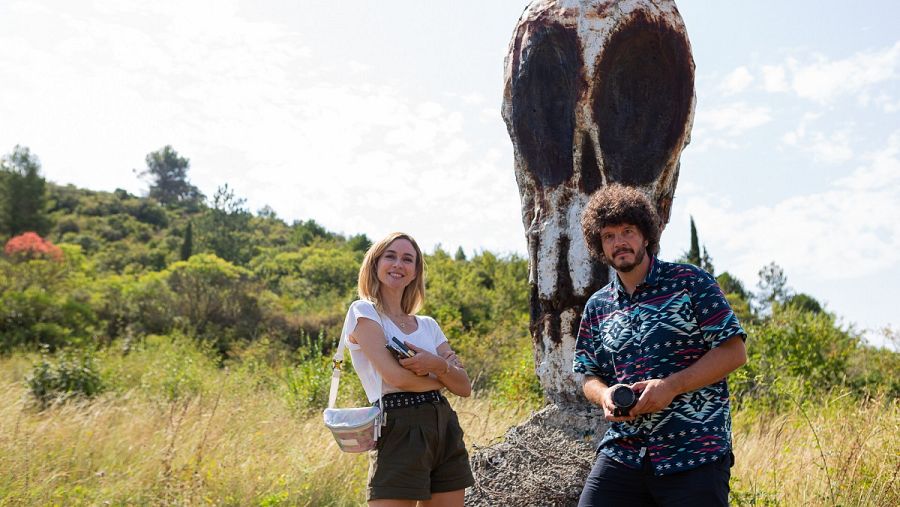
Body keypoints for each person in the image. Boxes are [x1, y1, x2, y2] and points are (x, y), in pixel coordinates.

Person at [573, 184, 747, 506]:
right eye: (609, 236)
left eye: (627, 231)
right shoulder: (597, 306)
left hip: (695, 452)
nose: (619, 242)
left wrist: (671, 386)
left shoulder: (691, 282)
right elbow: (588, 374)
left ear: (646, 236)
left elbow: (734, 351)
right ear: (600, 246)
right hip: (624, 451)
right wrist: (605, 395)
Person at [341, 232, 474, 506]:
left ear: (415, 272)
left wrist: (436, 365)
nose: (398, 264)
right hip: (399, 424)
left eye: (407, 259)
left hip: (444, 426)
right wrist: (443, 374)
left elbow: (464, 388)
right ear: (375, 265)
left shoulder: (428, 325)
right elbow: (396, 378)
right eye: (390, 256)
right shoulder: (364, 312)